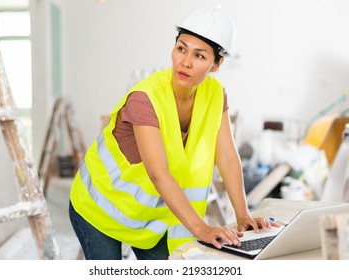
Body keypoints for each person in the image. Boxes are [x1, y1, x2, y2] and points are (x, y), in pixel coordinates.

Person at [69, 4, 279, 260]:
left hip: (151, 220)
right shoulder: (145, 98)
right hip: (99, 210)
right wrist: (202, 228)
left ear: (217, 64)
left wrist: (243, 215)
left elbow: (226, 157)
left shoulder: (214, 95)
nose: (185, 62)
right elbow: (159, 174)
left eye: (199, 56)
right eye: (181, 48)